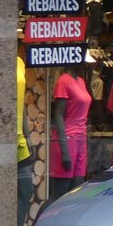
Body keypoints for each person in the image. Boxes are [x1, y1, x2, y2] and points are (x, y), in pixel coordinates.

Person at [48, 65, 92, 198]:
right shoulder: (63, 81)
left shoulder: (81, 81)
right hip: (67, 138)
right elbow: (58, 115)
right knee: (59, 196)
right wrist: (64, 151)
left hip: (80, 138)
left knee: (76, 192)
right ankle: (43, 218)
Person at [16, 53, 33, 226]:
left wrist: (28, 137)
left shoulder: (20, 62)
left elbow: (22, 107)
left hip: (20, 145)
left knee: (26, 190)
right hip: (2, 144)